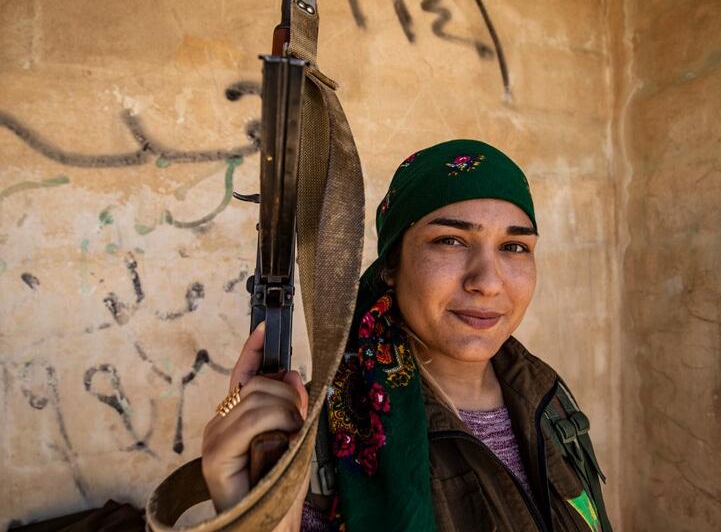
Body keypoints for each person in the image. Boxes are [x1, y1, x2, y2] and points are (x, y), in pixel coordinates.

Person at [201, 139, 611, 532]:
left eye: (515, 246)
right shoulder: (320, 439)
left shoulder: (548, 399)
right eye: (449, 240)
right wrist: (252, 517)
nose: (487, 282)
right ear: (391, 267)